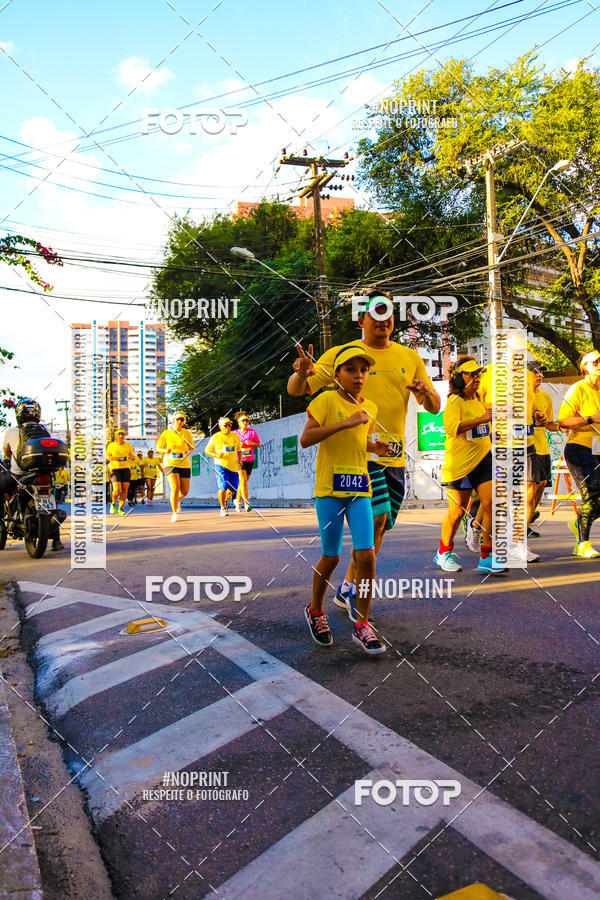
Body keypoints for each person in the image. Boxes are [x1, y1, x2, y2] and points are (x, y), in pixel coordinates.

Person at [288, 290, 440, 619]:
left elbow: (433, 406)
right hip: (360, 458)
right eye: (376, 314)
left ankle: (347, 587)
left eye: (389, 315)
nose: (384, 321)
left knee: (379, 530)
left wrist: (426, 392)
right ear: (362, 320)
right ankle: (354, 602)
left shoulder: (408, 357)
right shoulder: (344, 355)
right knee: (377, 519)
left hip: (393, 456)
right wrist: (302, 373)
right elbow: (297, 389)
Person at [300, 346, 391, 654]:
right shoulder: (325, 400)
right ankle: (315, 611)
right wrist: (345, 422)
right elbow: (306, 438)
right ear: (337, 374)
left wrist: (377, 447)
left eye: (363, 370)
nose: (358, 376)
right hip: (329, 491)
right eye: (351, 370)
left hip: (359, 488)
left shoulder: (371, 409)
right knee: (332, 556)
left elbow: (360, 442)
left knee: (367, 556)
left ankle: (362, 623)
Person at [436, 358, 505, 575]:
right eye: (470, 374)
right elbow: (453, 429)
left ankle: (488, 555)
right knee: (457, 512)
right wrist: (482, 419)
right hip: (460, 465)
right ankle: (443, 552)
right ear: (458, 378)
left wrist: (493, 432)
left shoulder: (479, 403)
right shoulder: (455, 403)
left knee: (493, 502)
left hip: (484, 459)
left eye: (478, 375)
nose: (476, 378)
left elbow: (481, 431)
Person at [478, 363, 545, 564]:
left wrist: (536, 414)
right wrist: (498, 409)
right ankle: (475, 528)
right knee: (500, 496)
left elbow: (530, 404)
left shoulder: (526, 376)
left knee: (530, 491)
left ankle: (517, 544)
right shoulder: (489, 373)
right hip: (501, 443)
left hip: (527, 442)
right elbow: (475, 403)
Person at [2, 398, 64, 550]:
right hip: (43, 473)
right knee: (50, 501)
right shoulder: (45, 430)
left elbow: (7, 454)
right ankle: (56, 540)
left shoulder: (11, 432)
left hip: (19, 475)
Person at [558, 349, 600, 558]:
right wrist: (591, 419)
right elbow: (563, 421)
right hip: (579, 449)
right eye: (595, 361)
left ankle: (579, 523)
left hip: (598, 449)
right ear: (585, 366)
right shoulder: (578, 389)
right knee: (591, 494)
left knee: (595, 498)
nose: (599, 363)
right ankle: (582, 544)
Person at [528, 361, 559, 537]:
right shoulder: (519, 396)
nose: (539, 375)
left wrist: (562, 426)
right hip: (525, 448)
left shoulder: (546, 397)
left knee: (541, 486)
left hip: (543, 448)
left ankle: (528, 519)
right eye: (534, 372)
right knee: (529, 487)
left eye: (540, 372)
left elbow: (550, 425)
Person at [156, 412, 195, 523]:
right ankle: (174, 512)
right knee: (175, 487)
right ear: (173, 420)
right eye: (178, 419)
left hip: (184, 463)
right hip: (170, 463)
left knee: (185, 491)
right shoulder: (166, 433)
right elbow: (158, 447)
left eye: (182, 420)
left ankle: (176, 500)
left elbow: (192, 447)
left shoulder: (186, 433)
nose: (180, 421)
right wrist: (165, 450)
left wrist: (188, 451)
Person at [205, 417, 242, 517]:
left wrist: (240, 460)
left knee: (233, 489)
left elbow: (239, 450)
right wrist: (216, 455)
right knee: (223, 487)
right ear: (220, 426)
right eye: (225, 425)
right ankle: (222, 508)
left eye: (229, 425)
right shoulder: (216, 437)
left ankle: (225, 499)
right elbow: (207, 450)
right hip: (220, 466)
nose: (228, 427)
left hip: (233, 466)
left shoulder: (235, 436)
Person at [234, 412, 260, 511]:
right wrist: (239, 445)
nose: (245, 422)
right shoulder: (235, 433)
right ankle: (246, 504)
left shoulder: (252, 432)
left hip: (250, 459)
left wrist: (251, 443)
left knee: (244, 483)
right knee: (243, 482)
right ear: (239, 423)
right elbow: (232, 446)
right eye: (243, 421)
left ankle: (237, 501)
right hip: (239, 460)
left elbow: (258, 444)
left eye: (247, 421)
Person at [106, 429, 135, 516]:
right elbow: (107, 456)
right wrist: (113, 458)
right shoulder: (111, 445)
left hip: (126, 468)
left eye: (122, 434)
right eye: (119, 434)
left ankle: (120, 508)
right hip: (115, 468)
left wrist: (130, 457)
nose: (121, 436)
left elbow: (133, 456)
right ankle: (113, 504)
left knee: (125, 490)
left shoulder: (128, 445)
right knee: (117, 489)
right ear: (116, 436)